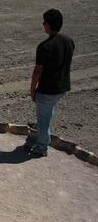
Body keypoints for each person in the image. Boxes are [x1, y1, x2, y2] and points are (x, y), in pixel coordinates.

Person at [25, 9, 74, 157]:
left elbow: (38, 71)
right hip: (62, 87)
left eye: (44, 22)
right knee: (47, 112)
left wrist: (33, 89)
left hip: (48, 89)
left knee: (43, 119)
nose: (43, 25)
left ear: (48, 25)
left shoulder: (45, 46)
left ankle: (41, 147)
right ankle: (40, 136)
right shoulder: (68, 41)